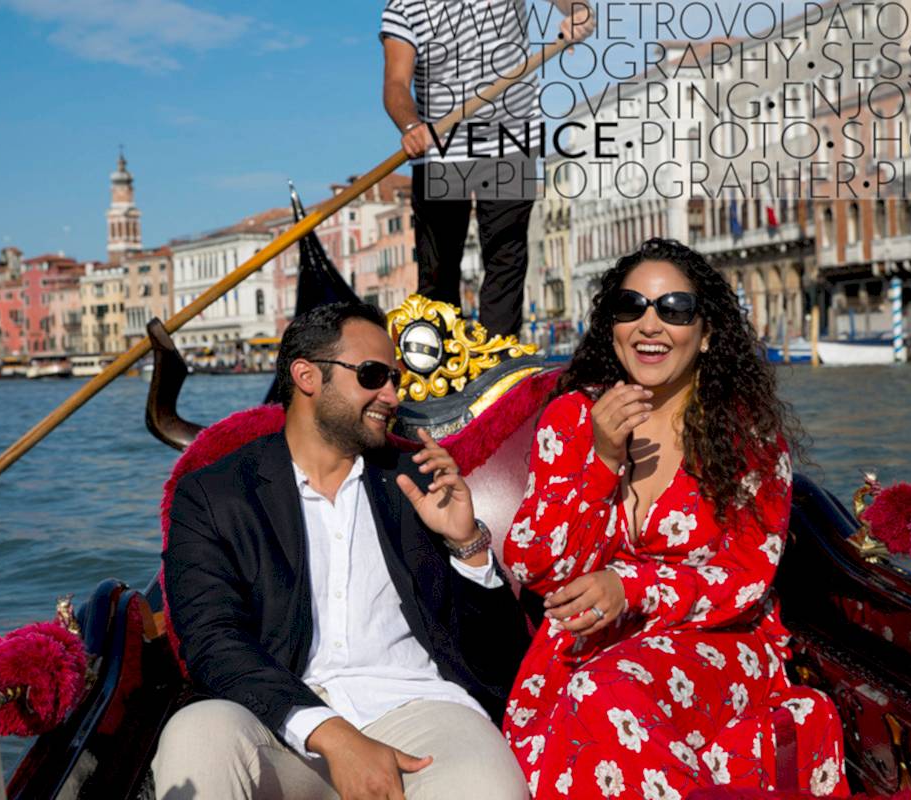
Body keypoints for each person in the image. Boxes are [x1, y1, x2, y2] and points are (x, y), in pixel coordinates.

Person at [500, 239, 849, 797]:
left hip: (715, 643)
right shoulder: (570, 419)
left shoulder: (747, 439)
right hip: (589, 642)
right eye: (630, 306)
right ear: (612, 326)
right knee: (584, 696)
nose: (649, 324)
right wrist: (603, 462)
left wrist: (631, 586)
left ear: (706, 333)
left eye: (674, 309)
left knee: (601, 695)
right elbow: (538, 566)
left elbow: (744, 577)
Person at [153, 301, 531, 800]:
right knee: (197, 733)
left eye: (395, 378)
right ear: (307, 376)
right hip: (280, 719)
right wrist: (331, 734)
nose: (392, 395)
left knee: (489, 789)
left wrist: (468, 545)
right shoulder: (214, 494)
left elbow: (499, 660)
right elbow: (213, 642)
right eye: (374, 376)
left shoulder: (418, 479)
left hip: (421, 716)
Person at [380, 0, 595, 337]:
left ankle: (499, 358)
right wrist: (410, 127)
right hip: (439, 147)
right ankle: (440, 360)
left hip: (512, 139)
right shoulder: (404, 6)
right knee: (438, 271)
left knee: (506, 257)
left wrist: (578, 14)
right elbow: (395, 83)